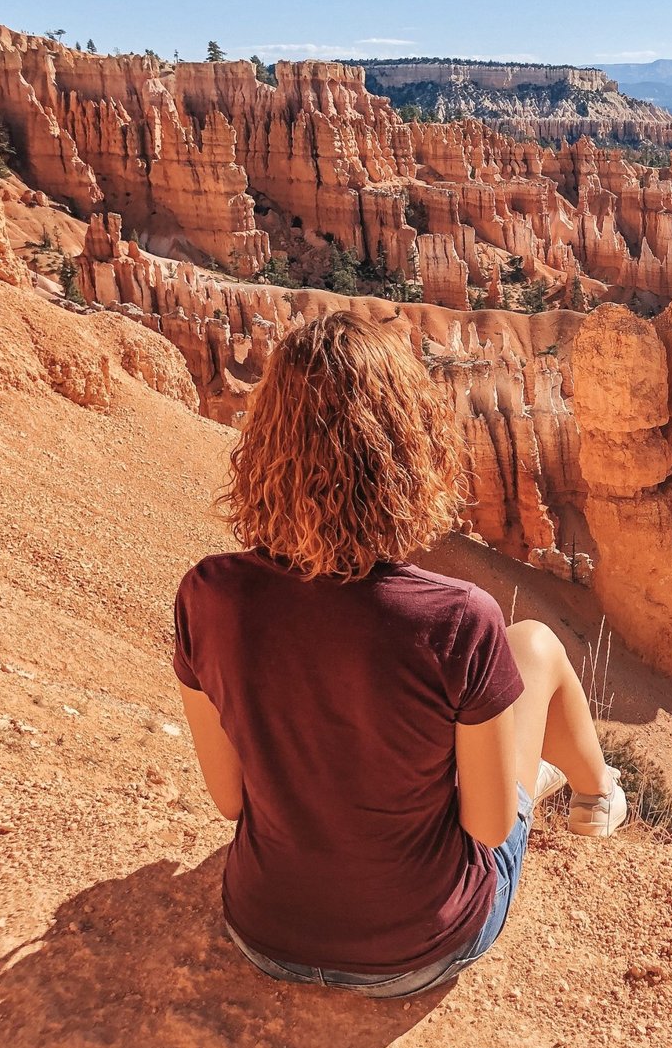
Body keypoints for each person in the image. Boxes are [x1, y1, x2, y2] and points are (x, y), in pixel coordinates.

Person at [172, 310, 625, 999]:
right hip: (420, 950)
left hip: (260, 931)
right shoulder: (457, 620)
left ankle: (574, 785)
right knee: (532, 643)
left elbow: (230, 801)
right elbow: (486, 826)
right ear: (404, 452)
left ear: (263, 445)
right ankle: (598, 797)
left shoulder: (206, 593)